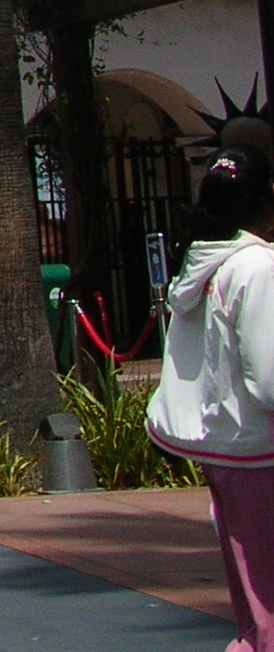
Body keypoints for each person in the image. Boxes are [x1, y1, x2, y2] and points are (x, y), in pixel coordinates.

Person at [149, 144, 274, 650]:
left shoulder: (204, 262)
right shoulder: (256, 268)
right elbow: (269, 378)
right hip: (261, 452)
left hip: (227, 451)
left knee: (255, 607)